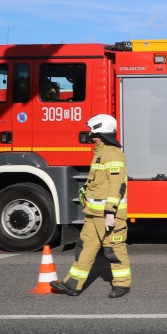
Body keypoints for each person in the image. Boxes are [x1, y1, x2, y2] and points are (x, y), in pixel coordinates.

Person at [51, 114, 131, 298]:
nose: (88, 133)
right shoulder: (100, 153)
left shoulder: (112, 153)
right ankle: (72, 284)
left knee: (114, 249)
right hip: (94, 214)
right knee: (85, 247)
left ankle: (122, 284)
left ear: (99, 131)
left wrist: (110, 212)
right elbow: (100, 183)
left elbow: (117, 185)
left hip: (108, 215)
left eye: (91, 130)